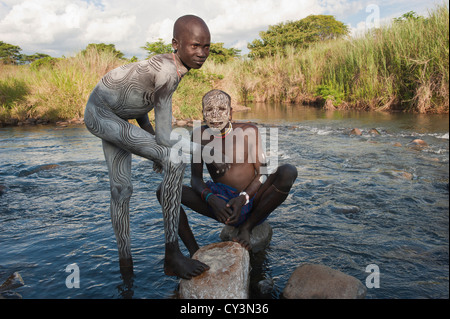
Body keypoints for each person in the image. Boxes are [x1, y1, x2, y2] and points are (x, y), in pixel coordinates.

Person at [84, 15, 221, 280]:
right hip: (101, 113)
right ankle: (172, 255)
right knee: (175, 159)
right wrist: (202, 151)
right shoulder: (169, 73)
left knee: (121, 190)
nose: (202, 53)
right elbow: (164, 136)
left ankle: (127, 271)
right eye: (195, 46)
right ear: (176, 44)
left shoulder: (168, 64)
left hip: (112, 113)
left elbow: (139, 102)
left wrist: (151, 147)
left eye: (206, 47)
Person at [158, 89, 297, 253]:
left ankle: (247, 227)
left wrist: (243, 198)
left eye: (222, 110)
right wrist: (211, 199)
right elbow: (195, 180)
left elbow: (263, 173)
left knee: (288, 171)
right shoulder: (199, 134)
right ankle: (194, 251)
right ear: (202, 113)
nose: (215, 115)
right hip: (223, 203)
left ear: (231, 113)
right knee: (164, 190)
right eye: (209, 110)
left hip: (253, 198)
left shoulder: (249, 131)